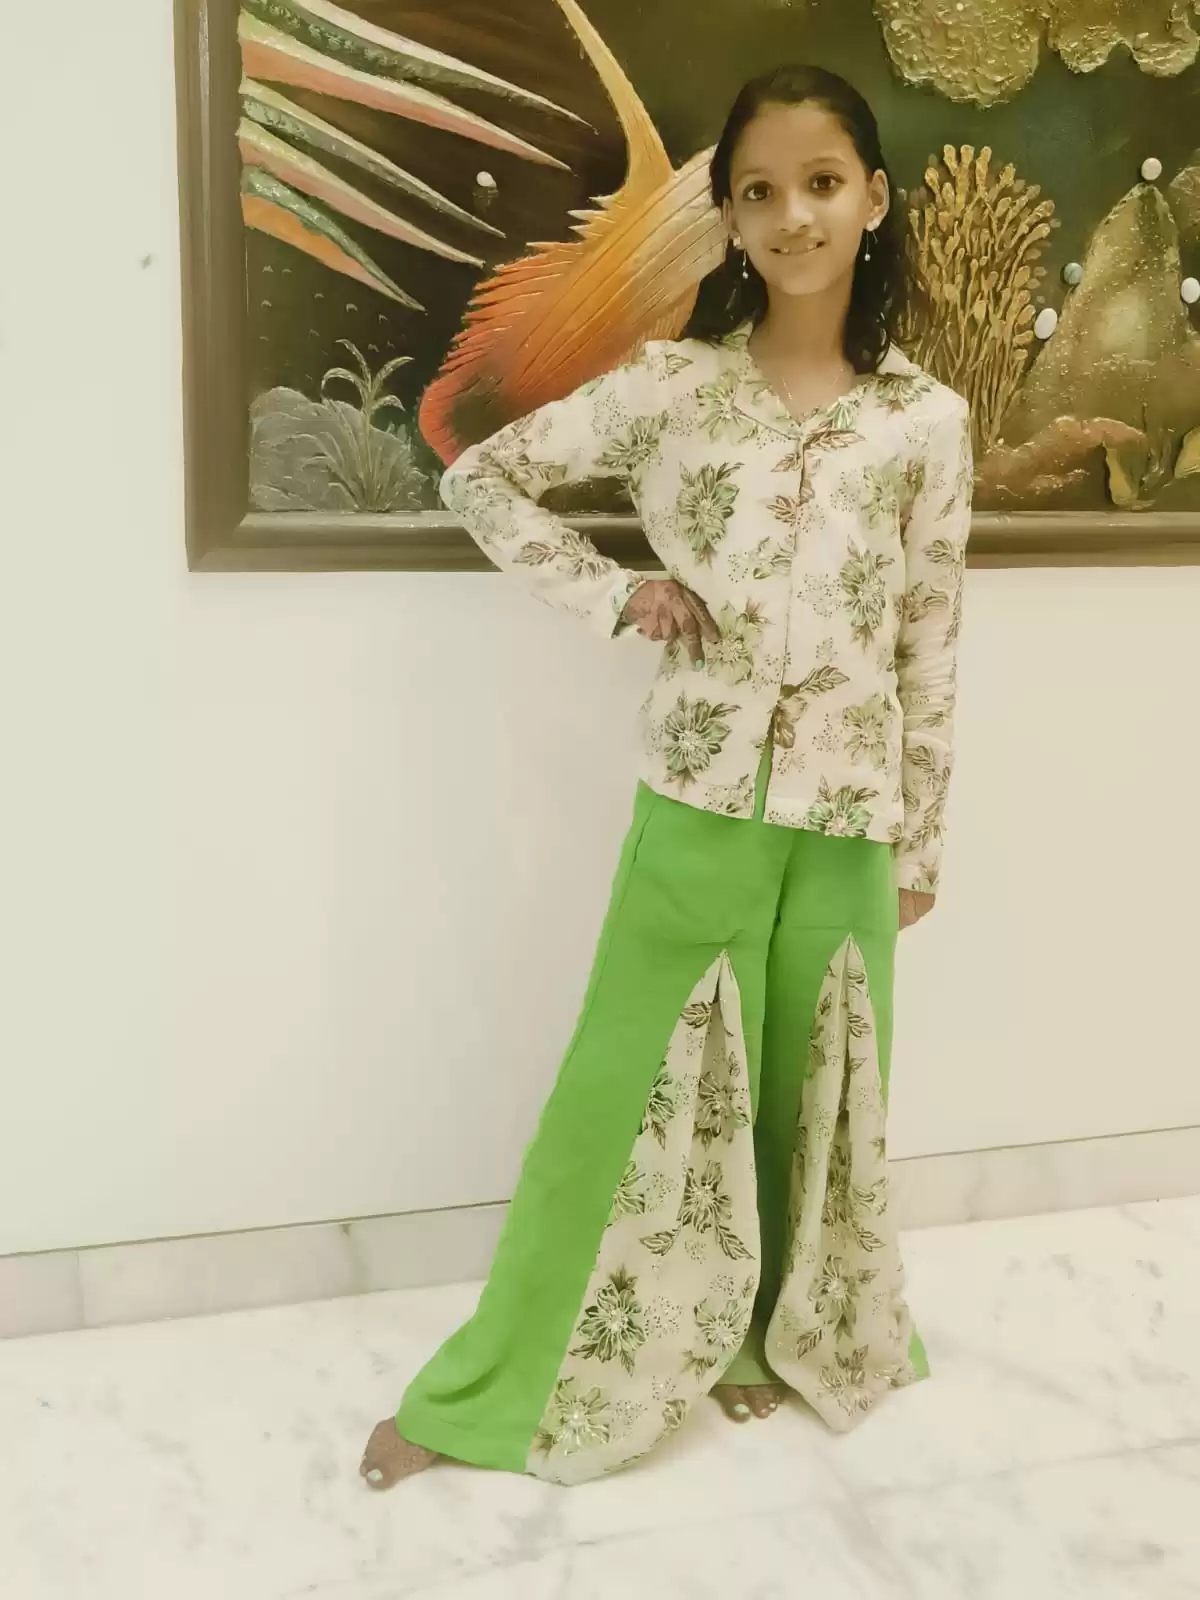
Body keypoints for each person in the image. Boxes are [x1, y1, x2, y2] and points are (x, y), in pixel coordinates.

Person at [360, 63, 973, 1491]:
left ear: (874, 200)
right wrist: (615, 594)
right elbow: (480, 478)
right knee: (624, 1087)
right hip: (699, 793)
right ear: (731, 221)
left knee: (812, 1088)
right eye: (759, 191)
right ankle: (504, 1387)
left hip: (851, 815)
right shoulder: (671, 388)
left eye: (821, 183)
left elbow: (932, 633)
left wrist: (923, 840)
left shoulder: (925, 423)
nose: (793, 215)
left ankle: (767, 1337)